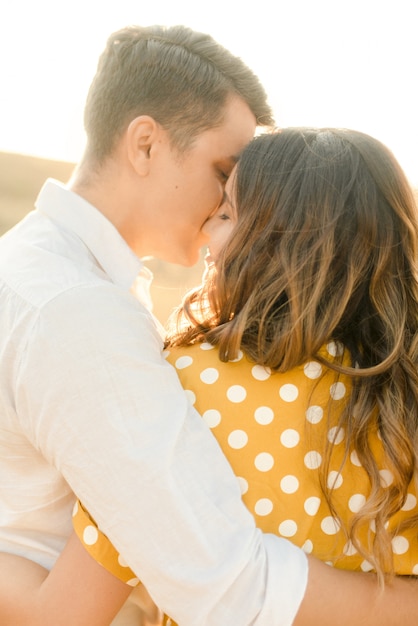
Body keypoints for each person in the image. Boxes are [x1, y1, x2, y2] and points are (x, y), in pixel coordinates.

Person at [2, 127, 418, 626]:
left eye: (225, 215)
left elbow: (60, 613)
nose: (207, 237)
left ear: (280, 240)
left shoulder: (194, 384)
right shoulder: (406, 395)